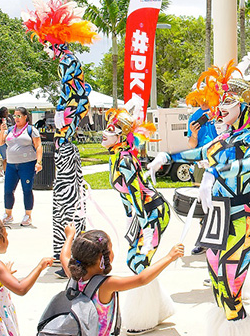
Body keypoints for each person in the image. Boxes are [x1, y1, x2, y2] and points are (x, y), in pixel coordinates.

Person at [150, 55, 250, 335]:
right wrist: (168, 156)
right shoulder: (222, 138)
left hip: (240, 217)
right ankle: (225, 327)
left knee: (231, 281)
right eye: (219, 103)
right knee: (215, 277)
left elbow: (247, 166)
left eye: (227, 103)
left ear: (244, 105)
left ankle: (238, 329)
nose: (220, 109)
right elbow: (199, 152)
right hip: (217, 215)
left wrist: (216, 169)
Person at [21, 0, 95, 263]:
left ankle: (70, 249)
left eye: (46, 44)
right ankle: (66, 248)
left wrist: (64, 115)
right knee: (66, 194)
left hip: (67, 133)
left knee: (68, 196)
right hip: (67, 132)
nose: (45, 49)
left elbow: (78, 96)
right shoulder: (67, 61)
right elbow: (79, 95)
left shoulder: (68, 61)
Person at [101, 104, 174, 332]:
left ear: (121, 136)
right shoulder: (116, 157)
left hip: (152, 212)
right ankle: (160, 309)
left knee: (138, 261)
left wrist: (145, 227)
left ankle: (145, 319)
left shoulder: (124, 160)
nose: (105, 132)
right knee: (140, 261)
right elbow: (128, 199)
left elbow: (137, 195)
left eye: (111, 129)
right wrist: (130, 221)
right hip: (141, 214)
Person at [59, 225, 184, 336]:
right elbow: (141, 279)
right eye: (111, 248)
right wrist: (169, 257)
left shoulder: (74, 275)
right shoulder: (106, 285)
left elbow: (64, 256)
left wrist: (70, 236)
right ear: (102, 259)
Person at [0, 107, 42, 227]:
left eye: (19, 116)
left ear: (25, 116)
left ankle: (27, 215)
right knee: (8, 190)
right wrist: (1, 131)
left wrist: (39, 162)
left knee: (27, 190)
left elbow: (39, 146)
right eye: (14, 116)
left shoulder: (31, 130)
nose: (16, 118)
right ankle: (8, 214)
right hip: (11, 165)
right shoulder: (9, 130)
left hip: (27, 164)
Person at [186, 101, 218, 256]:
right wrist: (194, 133)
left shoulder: (220, 109)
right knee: (202, 203)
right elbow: (192, 145)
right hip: (201, 163)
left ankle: (220, 240)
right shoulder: (194, 117)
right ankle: (204, 241)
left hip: (220, 160)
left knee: (220, 200)